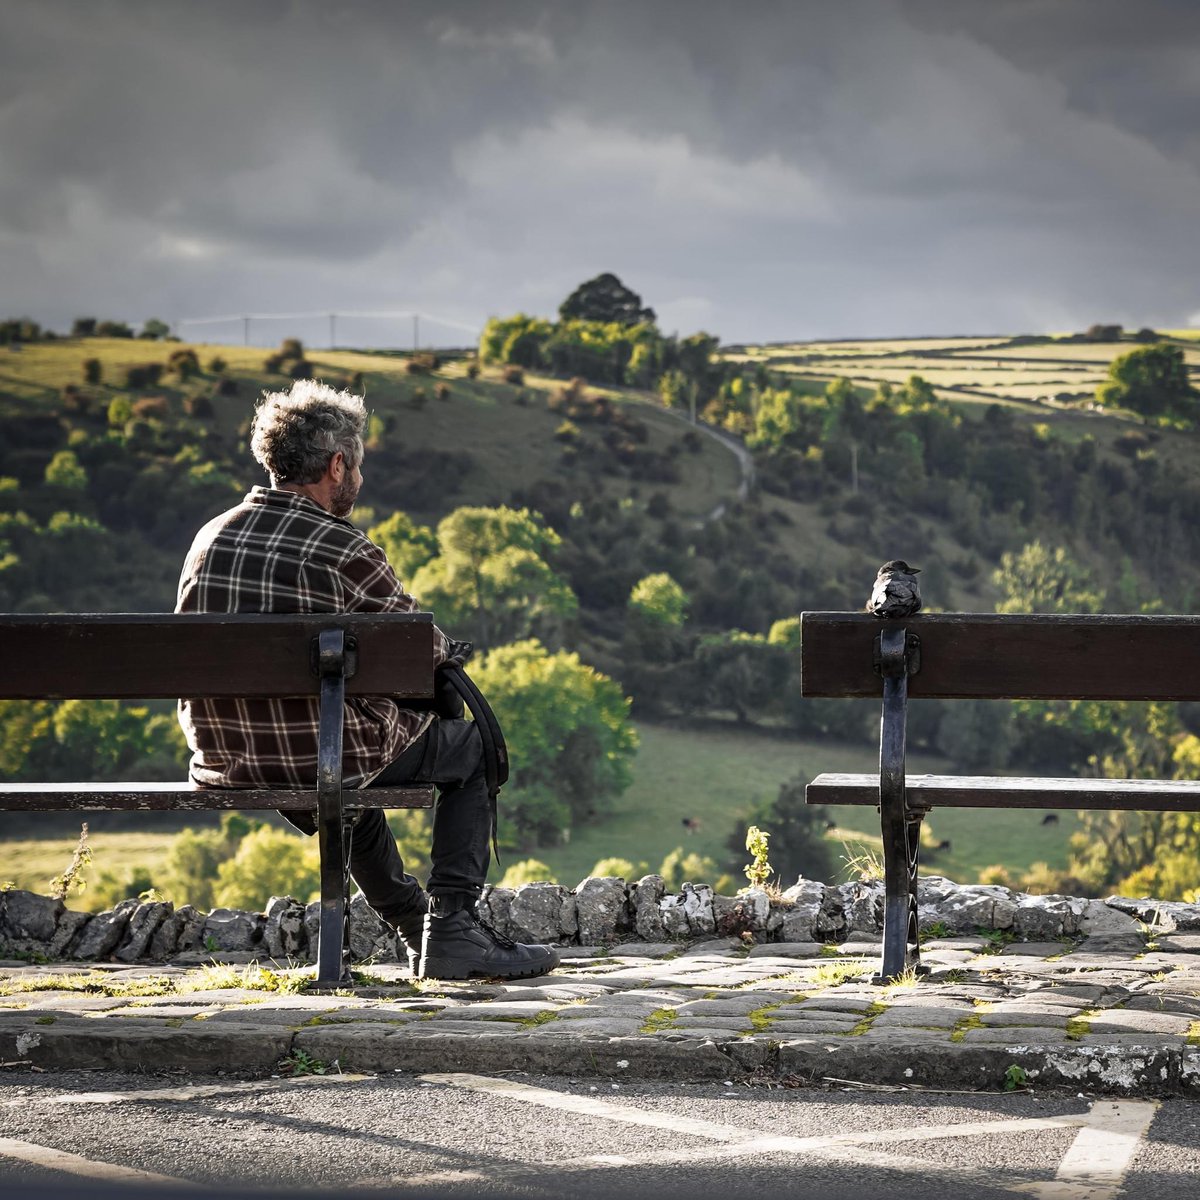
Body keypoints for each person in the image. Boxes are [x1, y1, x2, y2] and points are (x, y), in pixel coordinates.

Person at [175, 379, 558, 981]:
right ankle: (452, 930)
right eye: (357, 465)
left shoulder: (209, 539)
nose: (359, 478)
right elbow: (422, 650)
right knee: (470, 749)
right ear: (336, 465)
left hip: (228, 755)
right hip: (318, 754)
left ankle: (413, 926)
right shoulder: (341, 547)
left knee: (347, 770)